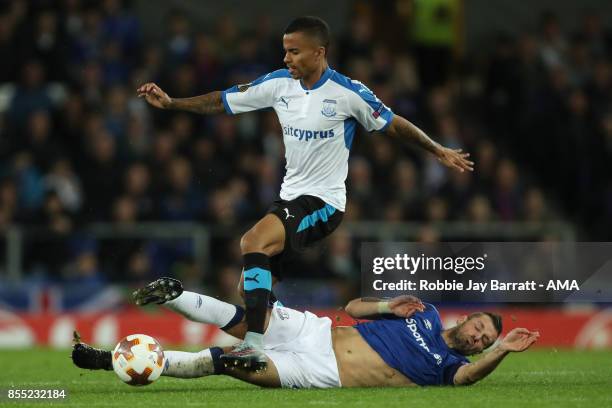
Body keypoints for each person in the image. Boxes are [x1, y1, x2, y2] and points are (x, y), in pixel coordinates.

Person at [136, 16, 474, 370]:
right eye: (285, 51)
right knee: (250, 292)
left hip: (324, 203)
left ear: (319, 52)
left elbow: (393, 124)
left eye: (294, 52)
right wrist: (173, 103)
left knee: (252, 242)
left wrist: (437, 149)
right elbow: (223, 101)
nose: (287, 59)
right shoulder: (280, 84)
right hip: (289, 198)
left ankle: (252, 346)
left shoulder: (348, 92)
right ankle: (297, 338)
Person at [73, 278, 539, 388]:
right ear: (467, 318)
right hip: (316, 331)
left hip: (316, 369)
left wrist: (501, 350)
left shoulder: (450, 367)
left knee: (224, 360)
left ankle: (104, 359)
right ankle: (173, 294)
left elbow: (468, 380)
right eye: (480, 328)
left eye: (484, 339)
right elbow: (351, 307)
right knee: (242, 317)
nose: (478, 338)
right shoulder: (425, 313)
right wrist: (385, 305)